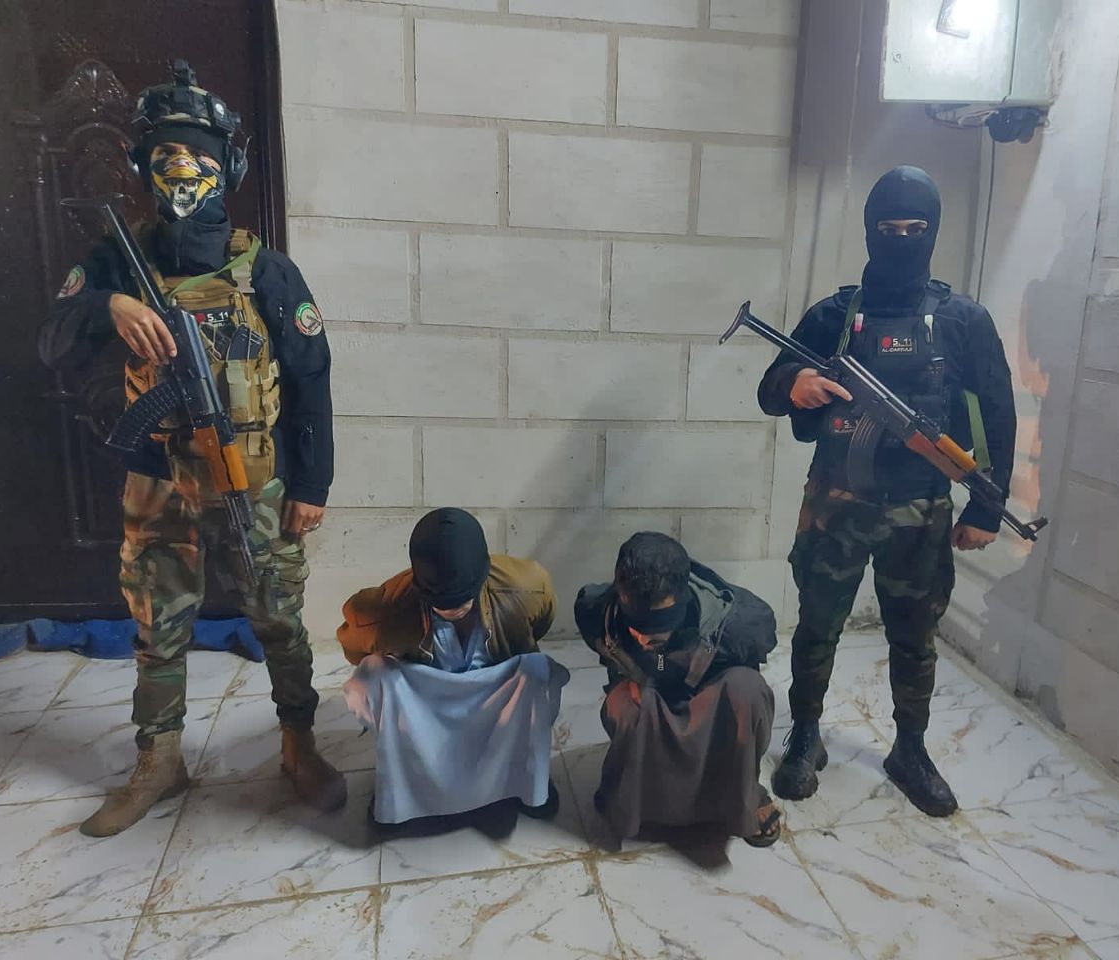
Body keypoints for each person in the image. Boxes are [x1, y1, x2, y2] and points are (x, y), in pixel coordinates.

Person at [38, 61, 345, 836]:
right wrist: (109, 306)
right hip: (157, 477)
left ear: (226, 166)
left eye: (198, 153)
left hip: (254, 479)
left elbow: (311, 381)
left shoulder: (266, 270)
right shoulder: (115, 261)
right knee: (158, 623)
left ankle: (298, 743)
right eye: (166, 152)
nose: (182, 166)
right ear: (143, 165)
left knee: (278, 617)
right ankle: (160, 760)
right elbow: (52, 341)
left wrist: (313, 486)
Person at [757, 166, 1017, 817]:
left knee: (914, 634)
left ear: (934, 231)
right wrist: (794, 384)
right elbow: (771, 386)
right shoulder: (834, 315)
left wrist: (988, 508)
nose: (901, 239)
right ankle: (806, 733)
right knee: (817, 624)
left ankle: (910, 748)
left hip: (922, 510)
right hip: (835, 503)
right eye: (888, 227)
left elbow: (998, 414)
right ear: (869, 230)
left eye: (915, 228)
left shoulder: (962, 321)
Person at [338, 508, 567, 827]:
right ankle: (400, 792)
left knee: (537, 670)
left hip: (495, 694)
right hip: (426, 704)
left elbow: (540, 623)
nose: (453, 609)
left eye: (463, 598)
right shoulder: (384, 610)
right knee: (373, 676)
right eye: (441, 601)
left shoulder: (526, 587)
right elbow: (354, 649)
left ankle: (528, 782)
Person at [574, 532, 781, 847]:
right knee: (625, 705)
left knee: (747, 691)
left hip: (708, 701)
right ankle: (633, 803)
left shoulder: (741, 625)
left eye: (655, 630)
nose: (642, 639)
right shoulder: (595, 609)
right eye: (636, 628)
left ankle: (744, 798)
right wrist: (640, 669)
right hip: (650, 697)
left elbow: (749, 663)